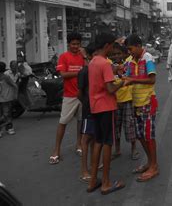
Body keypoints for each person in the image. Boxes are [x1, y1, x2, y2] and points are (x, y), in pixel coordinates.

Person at [87, 32, 125, 195]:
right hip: (106, 106)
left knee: (98, 142)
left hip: (95, 106)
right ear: (106, 46)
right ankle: (107, 183)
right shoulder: (103, 63)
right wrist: (122, 82)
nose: (112, 49)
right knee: (108, 143)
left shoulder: (93, 61)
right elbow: (110, 88)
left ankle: (93, 180)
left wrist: (115, 69)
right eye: (111, 46)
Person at [122, 34, 159, 182]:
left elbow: (152, 79)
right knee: (140, 135)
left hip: (147, 102)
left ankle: (154, 166)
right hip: (135, 102)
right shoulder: (130, 61)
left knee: (148, 136)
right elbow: (124, 74)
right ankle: (150, 163)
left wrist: (131, 79)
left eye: (130, 49)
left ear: (138, 46)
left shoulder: (147, 58)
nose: (129, 52)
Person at [49, 32, 85, 165]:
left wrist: (85, 56)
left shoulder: (83, 56)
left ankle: (79, 144)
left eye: (78, 44)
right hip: (69, 95)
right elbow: (63, 74)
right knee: (63, 122)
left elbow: (90, 69)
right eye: (73, 44)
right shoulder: (64, 57)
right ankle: (56, 150)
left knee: (81, 122)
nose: (76, 46)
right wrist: (79, 72)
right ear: (69, 44)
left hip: (82, 95)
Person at [110, 42, 140, 161]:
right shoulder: (108, 66)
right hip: (114, 101)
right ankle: (117, 149)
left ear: (123, 54)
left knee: (130, 126)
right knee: (116, 127)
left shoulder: (128, 64)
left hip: (128, 100)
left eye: (119, 54)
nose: (116, 56)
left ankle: (133, 148)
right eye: (114, 54)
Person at [77, 42, 97, 183]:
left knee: (94, 138)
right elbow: (79, 93)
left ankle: (93, 165)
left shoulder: (98, 68)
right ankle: (84, 170)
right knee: (86, 139)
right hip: (88, 109)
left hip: (97, 108)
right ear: (89, 56)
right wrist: (87, 103)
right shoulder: (84, 71)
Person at [0, 61, 18, 138]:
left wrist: (15, 96)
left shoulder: (6, 77)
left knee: (7, 115)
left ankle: (9, 128)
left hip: (6, 100)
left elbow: (15, 86)